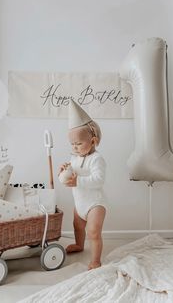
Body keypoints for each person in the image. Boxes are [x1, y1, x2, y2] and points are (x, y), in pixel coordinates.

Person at [59, 99, 106, 270]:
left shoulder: (97, 159)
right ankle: (79, 244)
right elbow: (72, 172)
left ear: (93, 141)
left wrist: (77, 180)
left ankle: (96, 259)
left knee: (93, 231)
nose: (75, 147)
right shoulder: (75, 158)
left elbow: (98, 179)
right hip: (80, 203)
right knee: (77, 225)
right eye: (72, 144)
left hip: (95, 203)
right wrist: (65, 169)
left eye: (79, 143)